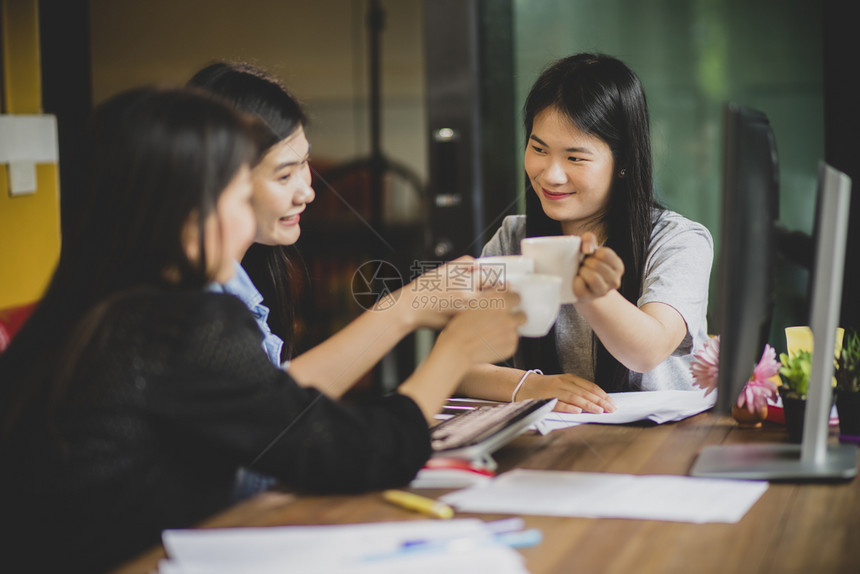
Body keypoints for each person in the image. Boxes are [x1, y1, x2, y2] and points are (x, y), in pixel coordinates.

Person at [0, 86, 522, 573]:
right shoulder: (177, 323)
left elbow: (279, 413)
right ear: (184, 215)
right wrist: (454, 353)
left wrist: (410, 316)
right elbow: (350, 452)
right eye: (236, 194)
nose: (248, 220)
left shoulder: (87, 309)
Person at [188, 62, 477, 398]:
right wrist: (410, 311)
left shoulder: (243, 282)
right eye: (284, 176)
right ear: (218, 180)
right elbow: (276, 412)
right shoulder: (195, 304)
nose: (307, 192)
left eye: (304, 164)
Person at [457, 53, 713, 414]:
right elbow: (458, 360)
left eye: (575, 158)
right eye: (538, 148)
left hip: (660, 443)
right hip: (553, 443)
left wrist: (586, 288)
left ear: (623, 161)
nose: (551, 175)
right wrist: (534, 387)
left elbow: (648, 351)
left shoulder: (679, 240)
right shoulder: (513, 237)